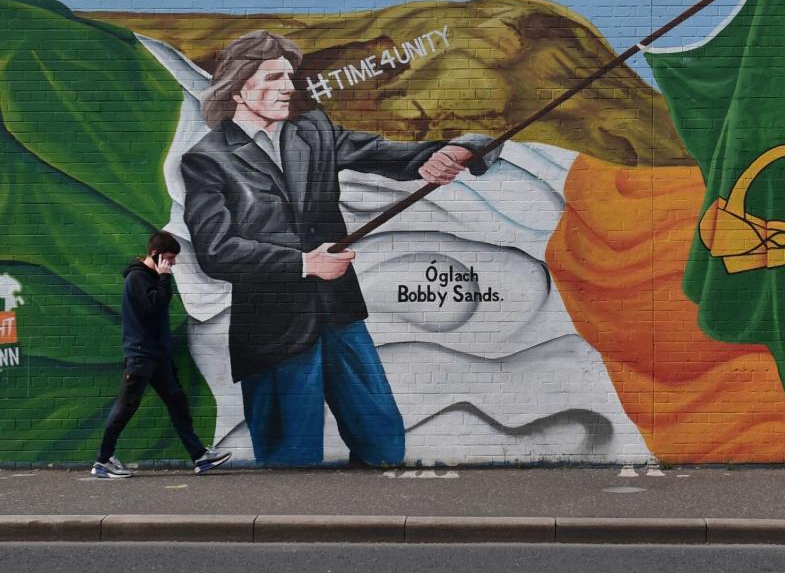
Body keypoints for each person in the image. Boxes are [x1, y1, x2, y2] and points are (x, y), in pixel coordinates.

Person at [180, 30, 498, 466]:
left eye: (288, 78)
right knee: (291, 459)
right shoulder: (209, 158)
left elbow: (387, 154)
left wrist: (451, 152)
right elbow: (216, 250)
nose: (288, 89)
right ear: (238, 85)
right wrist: (303, 263)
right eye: (273, 78)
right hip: (275, 330)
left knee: (384, 441)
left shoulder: (313, 131)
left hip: (340, 313)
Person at [92, 230, 231, 478]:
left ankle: (199, 456)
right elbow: (155, 304)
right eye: (169, 258)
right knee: (126, 407)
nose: (173, 263)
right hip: (142, 356)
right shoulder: (137, 278)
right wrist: (165, 277)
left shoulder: (151, 276)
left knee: (178, 404)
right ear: (155, 255)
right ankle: (103, 462)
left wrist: (163, 276)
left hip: (157, 357)